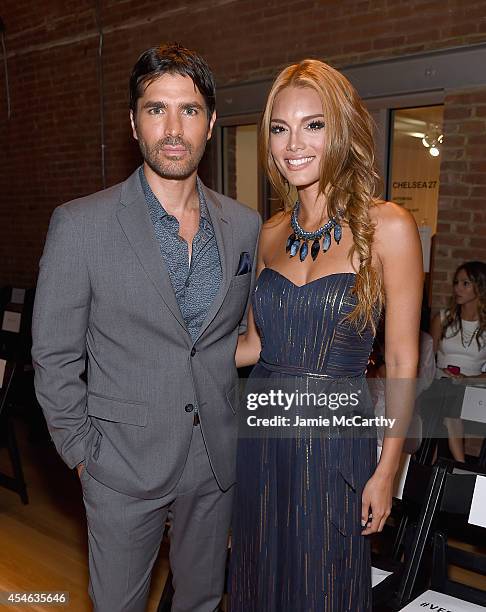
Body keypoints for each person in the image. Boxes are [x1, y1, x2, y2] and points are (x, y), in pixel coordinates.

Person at [32, 43, 261, 612]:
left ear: (210, 123)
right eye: (157, 109)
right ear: (135, 124)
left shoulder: (244, 226)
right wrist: (84, 455)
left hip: (214, 461)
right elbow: (54, 358)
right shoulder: (80, 225)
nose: (174, 127)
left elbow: (230, 343)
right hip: (120, 463)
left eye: (189, 110)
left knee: (203, 601)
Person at [229, 59, 422, 611]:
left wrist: (388, 470)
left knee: (321, 581)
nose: (294, 143)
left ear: (341, 129)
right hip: (262, 435)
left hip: (335, 439)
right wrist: (177, 348)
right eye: (280, 128)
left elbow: (405, 360)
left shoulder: (388, 227)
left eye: (313, 125)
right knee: (259, 572)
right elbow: (254, 346)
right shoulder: (267, 233)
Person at [430, 261, 486, 462]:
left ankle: (449, 464)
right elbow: (428, 358)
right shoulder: (443, 319)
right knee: (445, 394)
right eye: (456, 283)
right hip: (440, 381)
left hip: (471, 386)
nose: (457, 288)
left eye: (465, 283)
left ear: (479, 287)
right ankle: (457, 465)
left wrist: (466, 379)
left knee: (452, 399)